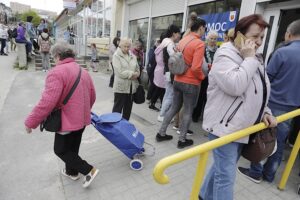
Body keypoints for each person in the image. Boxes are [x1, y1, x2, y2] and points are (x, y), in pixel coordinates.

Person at [199, 14, 277, 200]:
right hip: (224, 128)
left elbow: (260, 89)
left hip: (243, 127)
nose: (258, 42)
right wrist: (249, 59)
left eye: (262, 38)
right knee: (225, 176)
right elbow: (235, 86)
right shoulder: (224, 54)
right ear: (240, 35)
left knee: (223, 169)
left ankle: (203, 195)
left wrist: (265, 111)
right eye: (255, 36)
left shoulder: (254, 56)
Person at [24, 42, 99, 188]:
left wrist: (30, 122)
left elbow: (47, 102)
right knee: (72, 148)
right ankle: (72, 172)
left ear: (58, 56)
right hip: (82, 119)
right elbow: (93, 95)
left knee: (61, 150)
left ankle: (89, 170)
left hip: (67, 121)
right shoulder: (83, 71)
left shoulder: (56, 72)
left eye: (53, 57)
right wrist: (83, 111)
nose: (53, 59)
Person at [237, 19, 300, 184]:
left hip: (273, 104)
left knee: (264, 139)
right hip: (293, 108)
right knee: (280, 141)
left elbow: (265, 79)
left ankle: (255, 172)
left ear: (288, 34)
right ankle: (270, 175)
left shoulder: (282, 52)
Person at [156, 18, 206, 149]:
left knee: (174, 107)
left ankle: (161, 133)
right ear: (200, 28)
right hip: (190, 83)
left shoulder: (183, 40)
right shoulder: (199, 44)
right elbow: (196, 68)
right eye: (204, 29)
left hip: (177, 79)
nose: (204, 31)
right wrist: (202, 77)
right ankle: (182, 140)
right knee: (188, 110)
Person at [155, 25, 181, 119]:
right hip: (170, 72)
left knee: (167, 94)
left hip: (167, 71)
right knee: (170, 95)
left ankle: (162, 114)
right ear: (174, 33)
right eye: (178, 33)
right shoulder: (170, 44)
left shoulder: (165, 42)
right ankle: (162, 115)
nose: (179, 35)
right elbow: (174, 57)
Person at [192, 30, 219, 122]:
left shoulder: (218, 50)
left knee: (210, 98)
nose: (213, 40)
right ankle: (196, 115)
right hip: (204, 76)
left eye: (215, 39)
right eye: (211, 38)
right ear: (207, 39)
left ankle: (206, 117)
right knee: (200, 96)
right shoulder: (203, 49)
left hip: (214, 77)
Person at [112, 38, 140, 120]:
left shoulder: (132, 56)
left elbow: (137, 68)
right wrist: (132, 74)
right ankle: (114, 126)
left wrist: (138, 73)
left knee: (127, 110)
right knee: (117, 110)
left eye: (128, 46)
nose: (127, 48)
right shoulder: (116, 56)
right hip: (120, 88)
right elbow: (119, 72)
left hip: (131, 87)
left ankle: (125, 126)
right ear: (120, 46)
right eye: (125, 46)